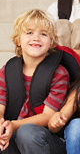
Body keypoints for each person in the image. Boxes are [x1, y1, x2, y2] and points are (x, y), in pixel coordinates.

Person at [0, 9, 69, 154]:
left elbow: (48, 116)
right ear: (18, 40)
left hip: (45, 139)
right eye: (29, 32)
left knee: (26, 132)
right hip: (12, 133)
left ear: (51, 42)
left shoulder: (59, 74)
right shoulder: (7, 71)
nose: (36, 37)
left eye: (43, 34)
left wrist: (13, 124)